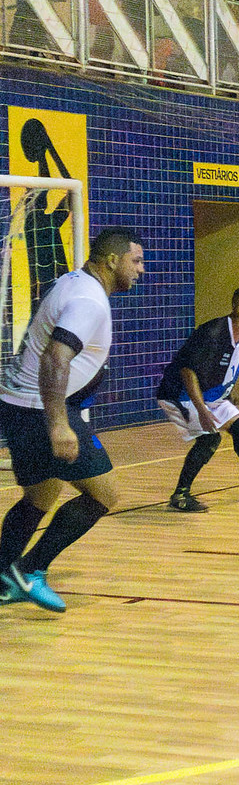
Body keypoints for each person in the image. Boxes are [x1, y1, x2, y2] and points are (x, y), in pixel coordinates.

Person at [0, 230, 145, 613]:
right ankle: (30, 571)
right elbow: (55, 358)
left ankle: (3, 577)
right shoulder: (88, 300)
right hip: (40, 410)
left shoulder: (73, 282)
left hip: (19, 404)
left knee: (40, 496)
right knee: (104, 494)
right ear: (112, 260)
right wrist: (59, 424)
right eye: (136, 261)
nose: (141, 270)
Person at [156, 288, 239, 512]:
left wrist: (225, 393)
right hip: (179, 394)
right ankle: (180, 496)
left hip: (212, 395)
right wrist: (202, 410)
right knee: (209, 439)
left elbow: (227, 365)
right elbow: (188, 372)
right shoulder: (213, 333)